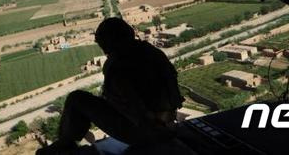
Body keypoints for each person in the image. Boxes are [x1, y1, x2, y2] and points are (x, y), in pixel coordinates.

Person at [37, 17, 184, 154]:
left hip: (148, 132)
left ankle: (64, 146)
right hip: (168, 125)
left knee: (76, 99)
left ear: (109, 42)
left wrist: (104, 104)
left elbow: (135, 109)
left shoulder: (120, 64)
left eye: (102, 43)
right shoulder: (151, 52)